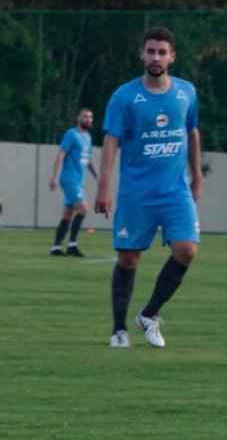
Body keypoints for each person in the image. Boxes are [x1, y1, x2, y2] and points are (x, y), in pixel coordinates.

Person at [95, 27, 202, 349]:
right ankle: (119, 330)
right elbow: (111, 141)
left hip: (175, 191)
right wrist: (104, 187)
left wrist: (196, 175)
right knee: (129, 259)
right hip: (136, 193)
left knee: (187, 250)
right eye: (151, 51)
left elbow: (192, 132)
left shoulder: (186, 92)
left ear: (172, 57)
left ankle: (149, 314)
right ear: (142, 54)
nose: (156, 57)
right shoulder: (124, 96)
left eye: (162, 52)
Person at [49, 108, 98, 256]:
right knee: (83, 209)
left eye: (90, 117)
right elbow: (61, 155)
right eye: (85, 117)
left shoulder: (88, 138)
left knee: (68, 215)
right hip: (69, 179)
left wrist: (97, 176)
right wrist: (54, 177)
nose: (88, 119)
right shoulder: (71, 134)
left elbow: (87, 160)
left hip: (79, 180)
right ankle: (72, 245)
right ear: (78, 118)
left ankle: (56, 247)